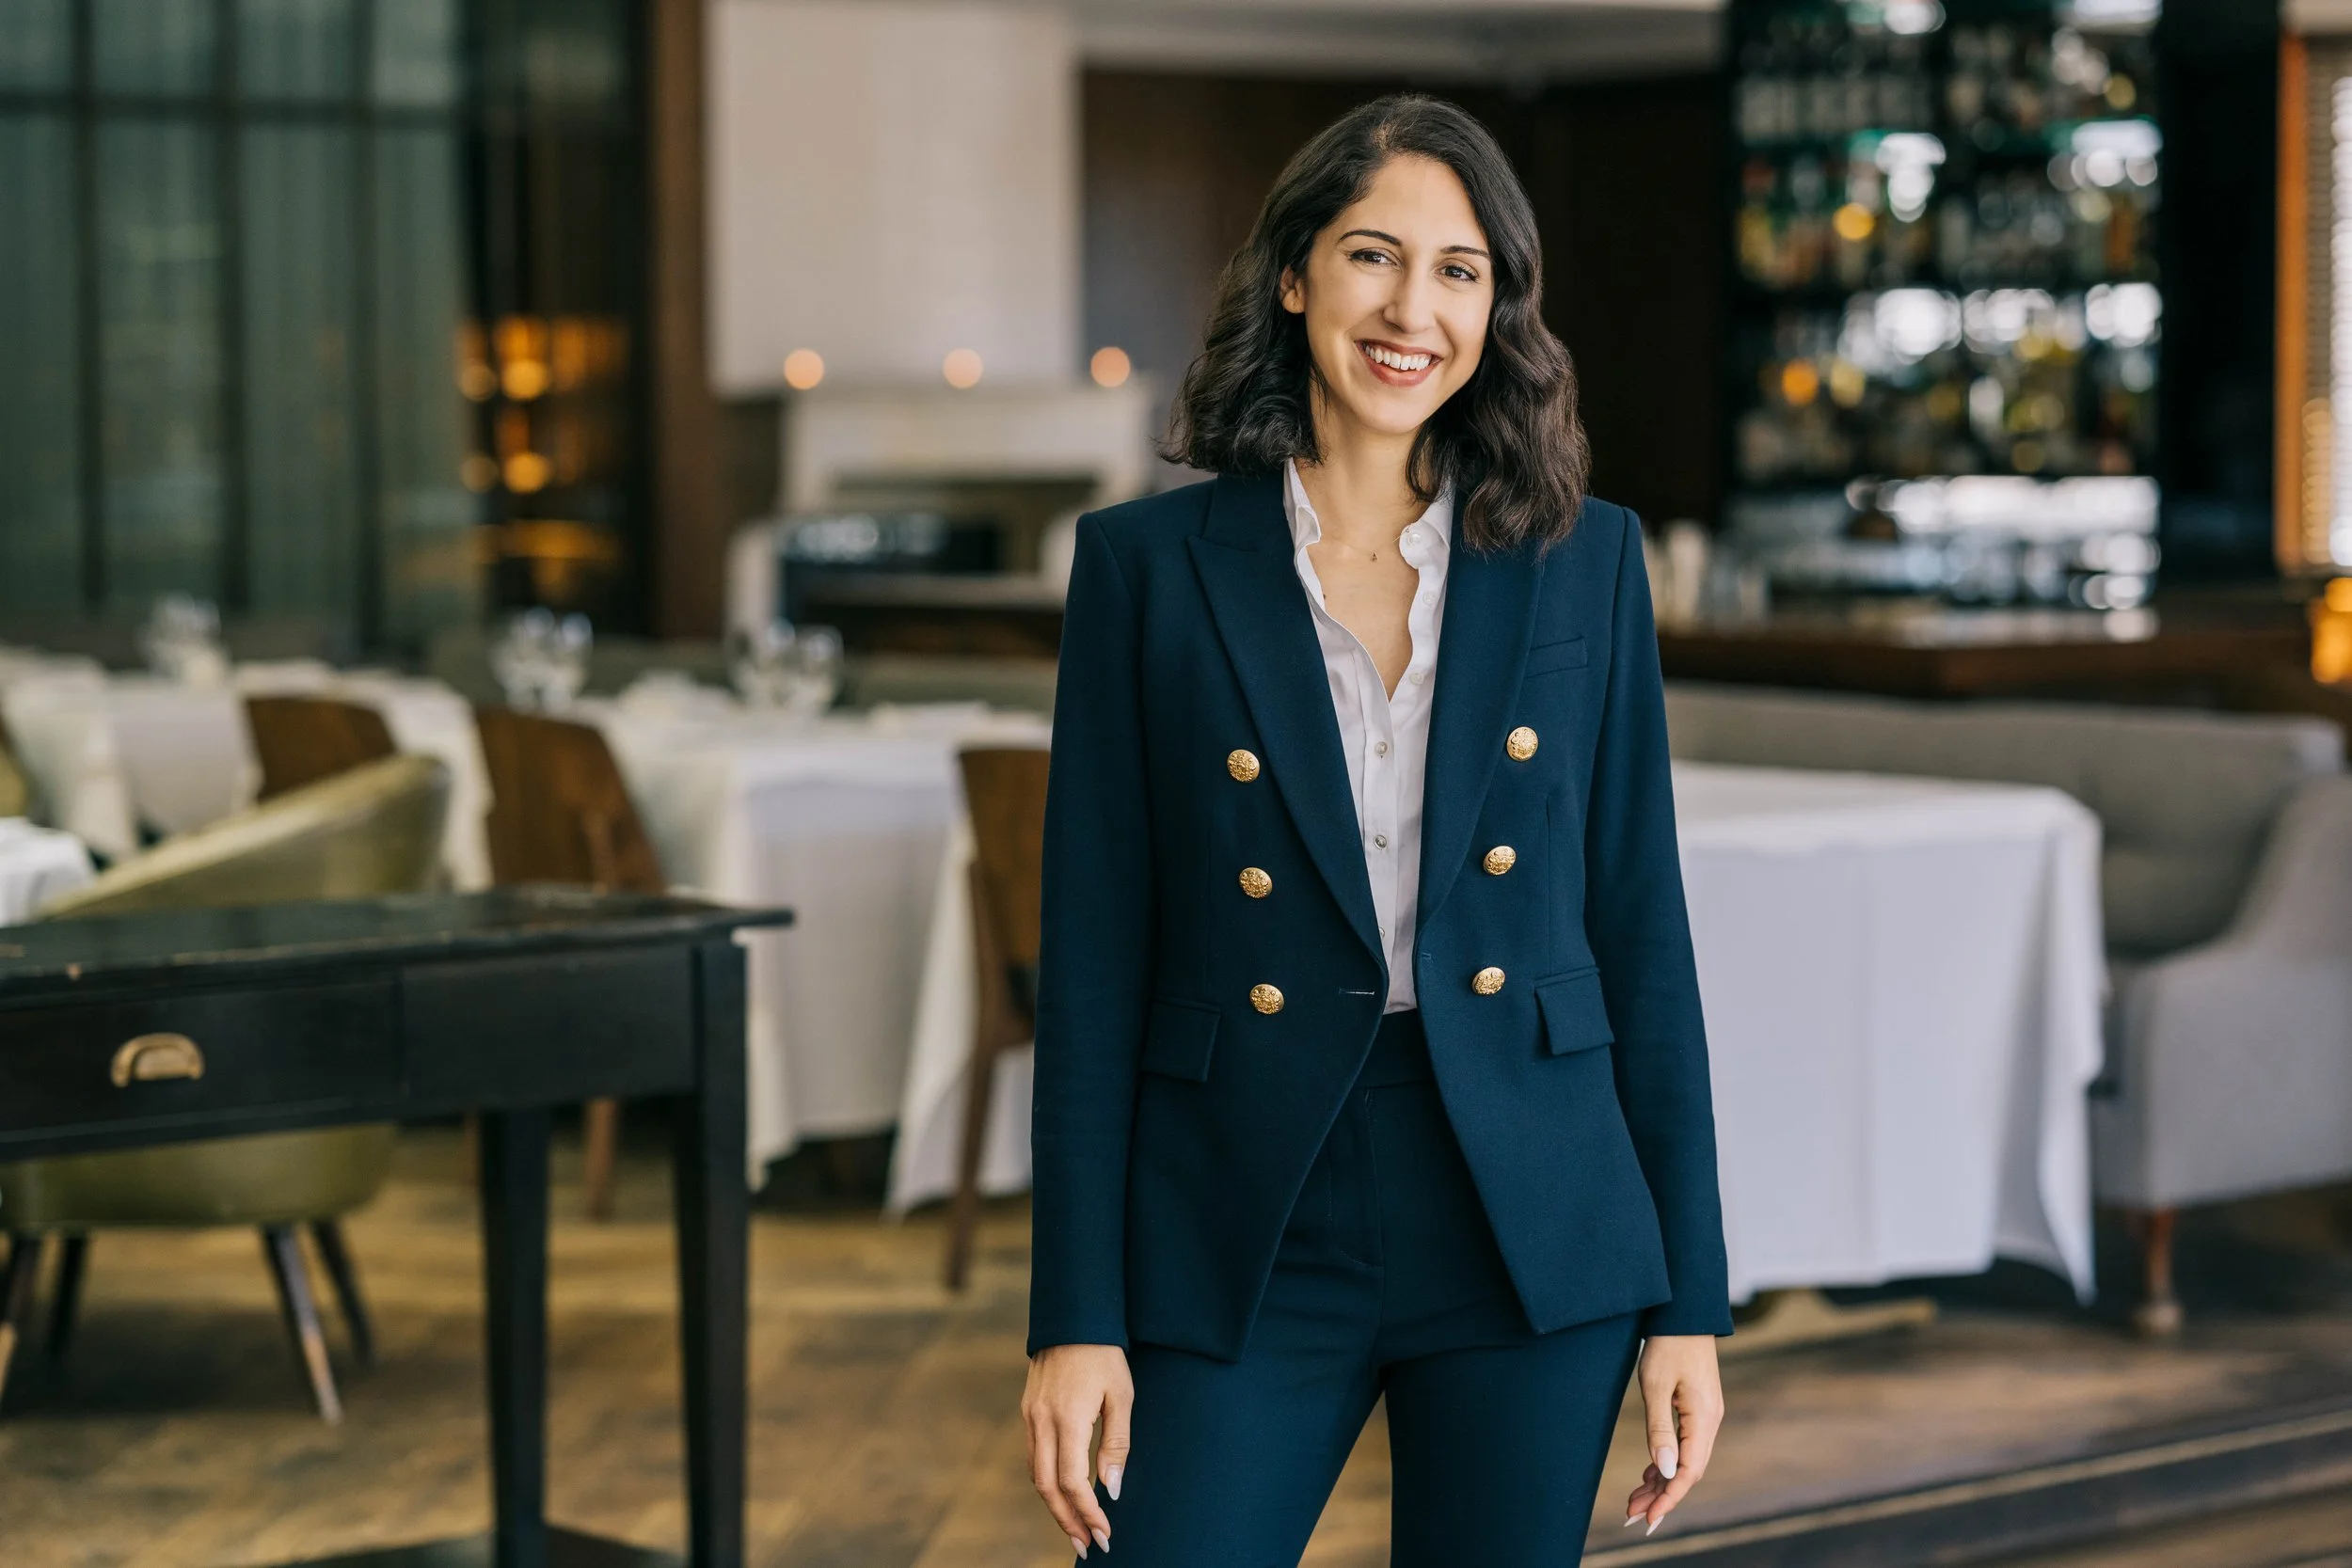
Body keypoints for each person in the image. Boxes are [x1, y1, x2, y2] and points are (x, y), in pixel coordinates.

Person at [1022, 93, 1730, 1565]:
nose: (1415, 309)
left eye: (1460, 270)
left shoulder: (1585, 560)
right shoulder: (1144, 571)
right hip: (1242, 1209)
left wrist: (1690, 1298)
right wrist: (1075, 1316)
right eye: (1373, 257)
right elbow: (1091, 968)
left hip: (1528, 1215)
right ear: (1295, 275)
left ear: (1499, 306)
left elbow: (1638, 930)